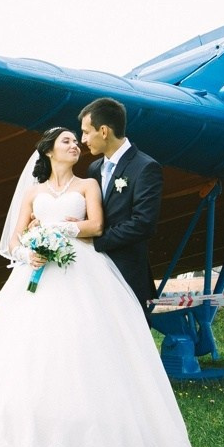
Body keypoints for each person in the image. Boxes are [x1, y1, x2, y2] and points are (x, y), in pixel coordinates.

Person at [0, 127, 197, 447]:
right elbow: (15, 237)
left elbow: (96, 225)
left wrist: (61, 232)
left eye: (76, 140)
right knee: (26, 350)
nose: (76, 146)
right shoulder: (33, 192)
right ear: (49, 150)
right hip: (36, 274)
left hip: (82, 269)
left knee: (81, 345)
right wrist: (29, 251)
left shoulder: (88, 185)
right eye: (67, 141)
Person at [80, 97, 161, 321]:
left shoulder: (145, 167)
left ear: (103, 131)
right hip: (94, 275)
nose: (83, 139)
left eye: (86, 132)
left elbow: (143, 224)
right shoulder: (94, 169)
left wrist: (95, 241)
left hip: (128, 277)